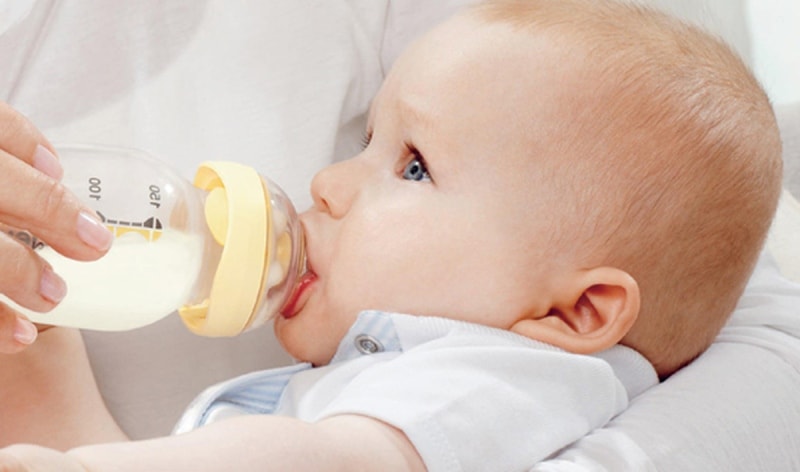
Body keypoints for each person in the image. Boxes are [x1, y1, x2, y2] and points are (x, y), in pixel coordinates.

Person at [0, 0, 784, 470]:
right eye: (363, 142)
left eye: (412, 167)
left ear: (575, 314)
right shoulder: (400, 368)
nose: (327, 184)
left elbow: (340, 463)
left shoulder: (513, 378)